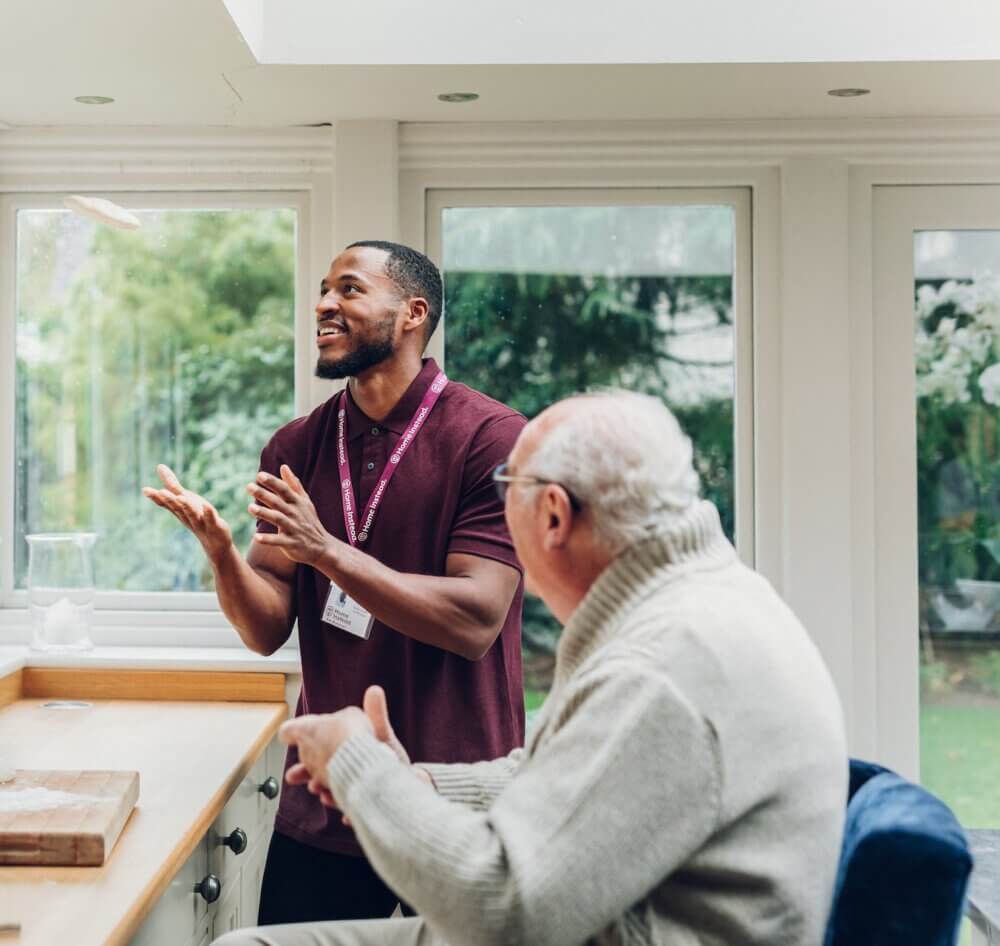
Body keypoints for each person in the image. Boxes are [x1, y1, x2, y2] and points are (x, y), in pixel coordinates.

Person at [213, 389, 849, 946]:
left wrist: (360, 767)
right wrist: (427, 785)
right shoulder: (702, 602)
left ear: (551, 515)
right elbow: (584, 776)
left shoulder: (659, 666)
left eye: (504, 490)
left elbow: (504, 912)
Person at [143, 241, 527, 925]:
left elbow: (475, 620)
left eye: (349, 289)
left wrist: (327, 551)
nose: (324, 304)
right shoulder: (296, 446)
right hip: (324, 805)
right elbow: (265, 630)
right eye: (323, 290)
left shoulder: (492, 437)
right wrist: (225, 555)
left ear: (412, 313)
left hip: (453, 805)